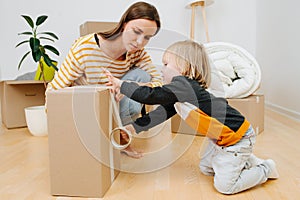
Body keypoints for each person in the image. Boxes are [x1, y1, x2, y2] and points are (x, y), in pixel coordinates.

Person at [105, 40, 279, 194]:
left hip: (238, 138)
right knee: (206, 168)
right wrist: (133, 127)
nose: (161, 68)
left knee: (225, 186)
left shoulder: (184, 85)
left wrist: (122, 85)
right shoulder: (180, 94)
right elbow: (160, 114)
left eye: (166, 64)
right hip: (219, 140)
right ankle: (246, 160)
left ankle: (265, 169)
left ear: (185, 67)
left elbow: (151, 95)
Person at [46, 1, 163, 158]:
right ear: (124, 24)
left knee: (141, 76)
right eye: (136, 32)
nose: (140, 42)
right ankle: (106, 138)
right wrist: (56, 127)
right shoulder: (84, 49)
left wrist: (129, 87)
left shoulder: (137, 53)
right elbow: (54, 90)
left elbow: (159, 83)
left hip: (115, 106)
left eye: (147, 37)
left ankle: (120, 137)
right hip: (88, 108)